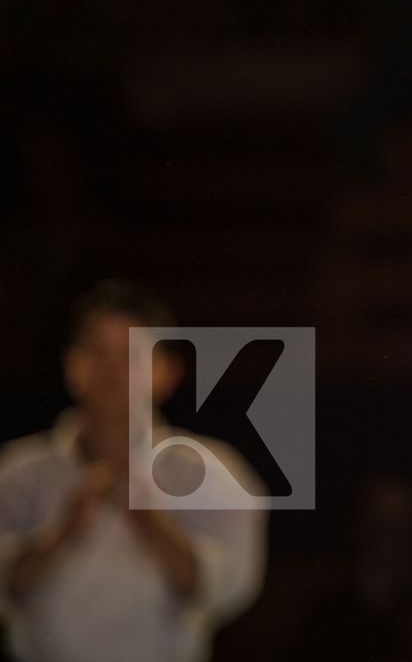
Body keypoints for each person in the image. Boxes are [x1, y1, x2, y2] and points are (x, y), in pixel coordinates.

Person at [0, 281, 266, 662]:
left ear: (166, 371)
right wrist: (61, 536)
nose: (111, 370)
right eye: (97, 352)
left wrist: (151, 525)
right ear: (71, 365)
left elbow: (230, 586)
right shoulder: (18, 473)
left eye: (131, 355)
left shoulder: (210, 473)